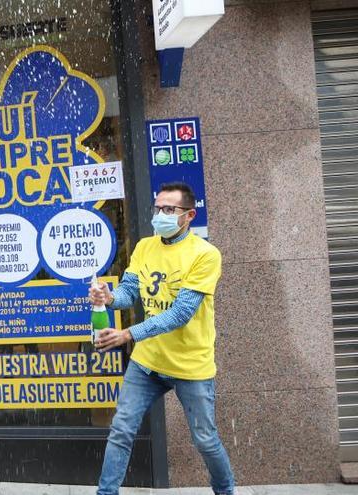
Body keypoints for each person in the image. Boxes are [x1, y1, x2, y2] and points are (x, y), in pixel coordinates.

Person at [91, 182, 235, 495]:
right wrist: (109, 297)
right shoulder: (144, 246)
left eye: (169, 209)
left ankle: (225, 491)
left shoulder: (206, 255)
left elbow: (181, 314)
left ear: (189, 216)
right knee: (121, 430)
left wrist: (128, 333)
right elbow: (129, 292)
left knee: (206, 440)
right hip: (147, 362)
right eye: (158, 208)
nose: (161, 214)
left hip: (190, 365)